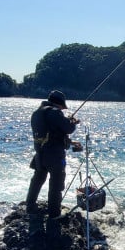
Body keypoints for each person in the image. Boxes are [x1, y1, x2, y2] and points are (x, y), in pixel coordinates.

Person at [26, 90, 81, 218]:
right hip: (54, 156)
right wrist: (72, 122)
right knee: (56, 184)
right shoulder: (55, 113)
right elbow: (68, 128)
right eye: (62, 106)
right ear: (59, 103)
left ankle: (30, 207)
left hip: (39, 154)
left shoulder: (37, 113)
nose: (62, 109)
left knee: (37, 180)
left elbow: (51, 131)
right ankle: (54, 213)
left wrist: (66, 125)